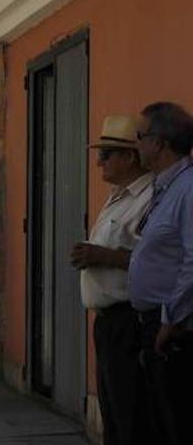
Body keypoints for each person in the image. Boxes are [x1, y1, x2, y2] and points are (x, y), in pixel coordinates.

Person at [71, 115, 153, 445]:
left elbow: (157, 265)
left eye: (105, 154)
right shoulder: (119, 195)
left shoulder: (149, 199)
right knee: (114, 420)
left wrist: (102, 257)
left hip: (130, 320)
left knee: (133, 418)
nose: (98, 162)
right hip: (108, 323)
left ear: (128, 157)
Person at [128, 101, 193, 445]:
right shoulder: (164, 186)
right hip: (153, 322)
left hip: (174, 328)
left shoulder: (188, 189)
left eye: (140, 136)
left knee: (176, 423)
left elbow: (192, 261)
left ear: (161, 142)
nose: (135, 144)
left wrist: (171, 319)